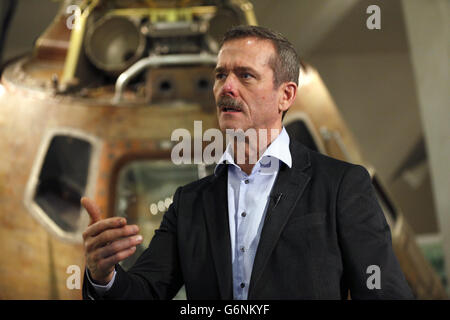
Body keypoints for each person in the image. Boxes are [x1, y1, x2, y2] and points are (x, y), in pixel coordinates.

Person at [81, 25, 414, 299]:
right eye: (220, 74)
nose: (227, 87)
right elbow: (144, 294)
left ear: (286, 95)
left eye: (245, 75)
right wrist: (103, 275)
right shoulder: (190, 203)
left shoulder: (340, 185)